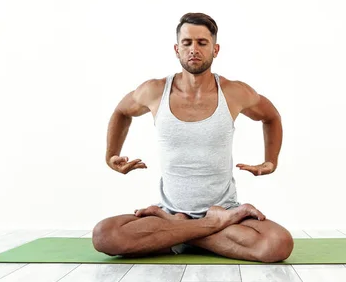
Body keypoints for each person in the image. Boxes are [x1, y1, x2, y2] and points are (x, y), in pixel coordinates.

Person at [91, 13, 294, 262]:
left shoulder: (234, 92)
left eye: (202, 43)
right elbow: (122, 112)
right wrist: (111, 154)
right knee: (104, 235)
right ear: (177, 49)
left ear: (215, 49)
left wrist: (270, 160)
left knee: (278, 244)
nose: (194, 49)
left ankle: (176, 233)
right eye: (187, 43)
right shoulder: (154, 90)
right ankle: (204, 228)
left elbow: (270, 116)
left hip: (223, 211)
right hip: (180, 213)